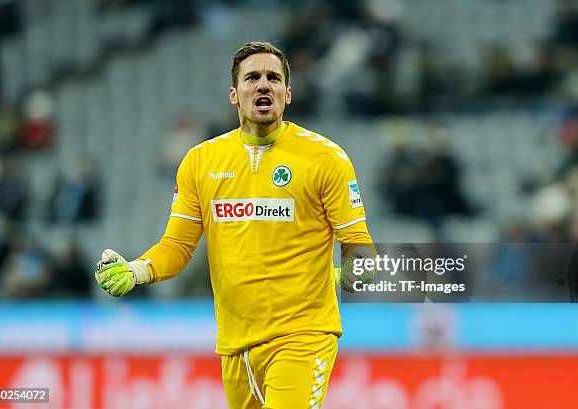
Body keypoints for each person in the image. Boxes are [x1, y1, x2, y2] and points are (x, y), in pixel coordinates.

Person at [95, 41, 374, 409]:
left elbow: (357, 240)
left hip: (303, 334)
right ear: (234, 93)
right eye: (252, 78)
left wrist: (357, 268)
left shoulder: (326, 159)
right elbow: (178, 247)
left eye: (273, 78)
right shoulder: (201, 162)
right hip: (236, 345)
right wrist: (137, 270)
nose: (263, 85)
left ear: (287, 94)